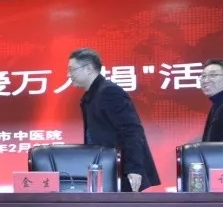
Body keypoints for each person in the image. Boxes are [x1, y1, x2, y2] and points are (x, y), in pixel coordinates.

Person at [67, 48, 160, 192]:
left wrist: (134, 168)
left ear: (89, 69)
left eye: (72, 70)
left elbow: (132, 131)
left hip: (121, 171)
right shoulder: (90, 96)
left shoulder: (109, 92)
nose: (69, 75)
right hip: (104, 170)